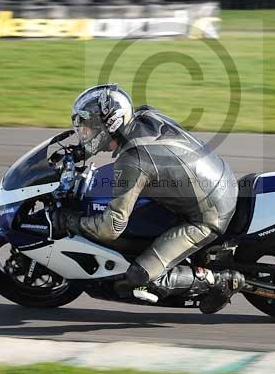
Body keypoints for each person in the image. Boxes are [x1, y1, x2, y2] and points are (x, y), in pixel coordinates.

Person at [52, 83, 244, 313]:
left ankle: (221, 281)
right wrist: (83, 150)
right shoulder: (144, 114)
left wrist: (69, 221)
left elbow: (111, 227)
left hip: (208, 215)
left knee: (139, 277)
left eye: (90, 127)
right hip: (218, 179)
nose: (85, 132)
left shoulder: (132, 161)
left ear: (110, 124)